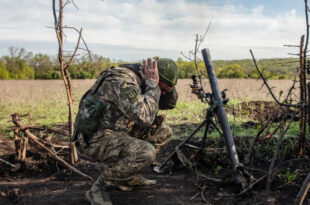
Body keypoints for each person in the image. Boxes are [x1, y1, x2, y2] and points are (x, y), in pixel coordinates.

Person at [73, 57, 179, 205]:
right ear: (155, 76)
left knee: (163, 131)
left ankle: (127, 177)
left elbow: (170, 103)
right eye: (164, 88)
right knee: (146, 152)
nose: (164, 93)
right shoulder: (122, 80)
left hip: (118, 129)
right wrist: (153, 85)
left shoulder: (142, 79)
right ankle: (99, 187)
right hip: (96, 137)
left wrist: (162, 86)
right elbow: (145, 117)